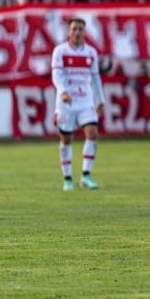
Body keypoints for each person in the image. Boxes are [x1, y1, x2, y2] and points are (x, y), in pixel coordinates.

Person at [51, 18, 106, 191]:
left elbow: (95, 78)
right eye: (74, 29)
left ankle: (86, 175)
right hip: (66, 102)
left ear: (84, 32)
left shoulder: (91, 52)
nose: (77, 32)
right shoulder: (60, 51)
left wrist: (101, 100)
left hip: (85, 101)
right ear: (68, 31)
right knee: (66, 139)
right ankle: (67, 178)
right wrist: (63, 91)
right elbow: (57, 76)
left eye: (81, 29)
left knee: (92, 133)